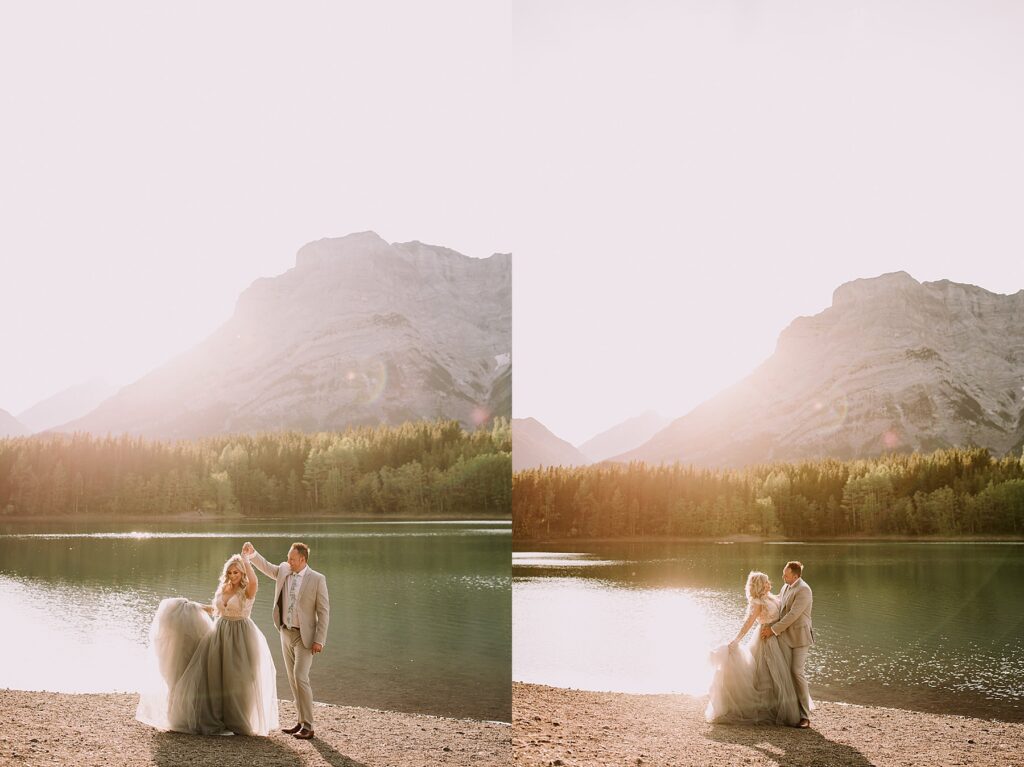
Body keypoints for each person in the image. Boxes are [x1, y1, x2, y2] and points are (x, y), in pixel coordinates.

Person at [135, 551, 279, 736]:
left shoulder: (247, 590)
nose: (233, 576)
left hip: (241, 635)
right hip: (219, 633)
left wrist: (246, 560)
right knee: (215, 677)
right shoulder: (224, 588)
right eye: (230, 573)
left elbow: (254, 581)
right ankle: (220, 717)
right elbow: (216, 610)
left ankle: (238, 721)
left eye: (236, 572)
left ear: (242, 573)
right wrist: (194, 606)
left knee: (238, 678)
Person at [243, 540, 330, 740]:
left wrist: (320, 639)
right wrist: (253, 554)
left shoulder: (317, 579)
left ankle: (309, 725)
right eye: (288, 557)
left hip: (305, 636)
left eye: (292, 558)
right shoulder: (283, 570)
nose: (288, 560)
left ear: (302, 559)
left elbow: (323, 612)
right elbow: (267, 567)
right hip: (285, 632)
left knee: (301, 676)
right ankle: (300, 722)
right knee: (292, 679)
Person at [705, 570, 803, 726]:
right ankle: (765, 710)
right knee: (766, 674)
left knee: (779, 674)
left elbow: (784, 599)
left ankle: (777, 708)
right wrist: (736, 640)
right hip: (765, 638)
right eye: (766, 581)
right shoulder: (758, 602)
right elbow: (749, 623)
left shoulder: (770, 597)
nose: (769, 583)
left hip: (776, 636)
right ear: (760, 585)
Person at [761, 560, 814, 728]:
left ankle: (805, 716)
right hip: (785, 636)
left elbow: (793, 615)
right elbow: (779, 604)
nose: (782, 576)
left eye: (786, 574)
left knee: (796, 672)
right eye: (784, 573)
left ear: (795, 575)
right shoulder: (786, 587)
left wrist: (773, 630)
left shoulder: (804, 590)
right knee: (783, 670)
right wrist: (762, 597)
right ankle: (789, 710)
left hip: (800, 638)